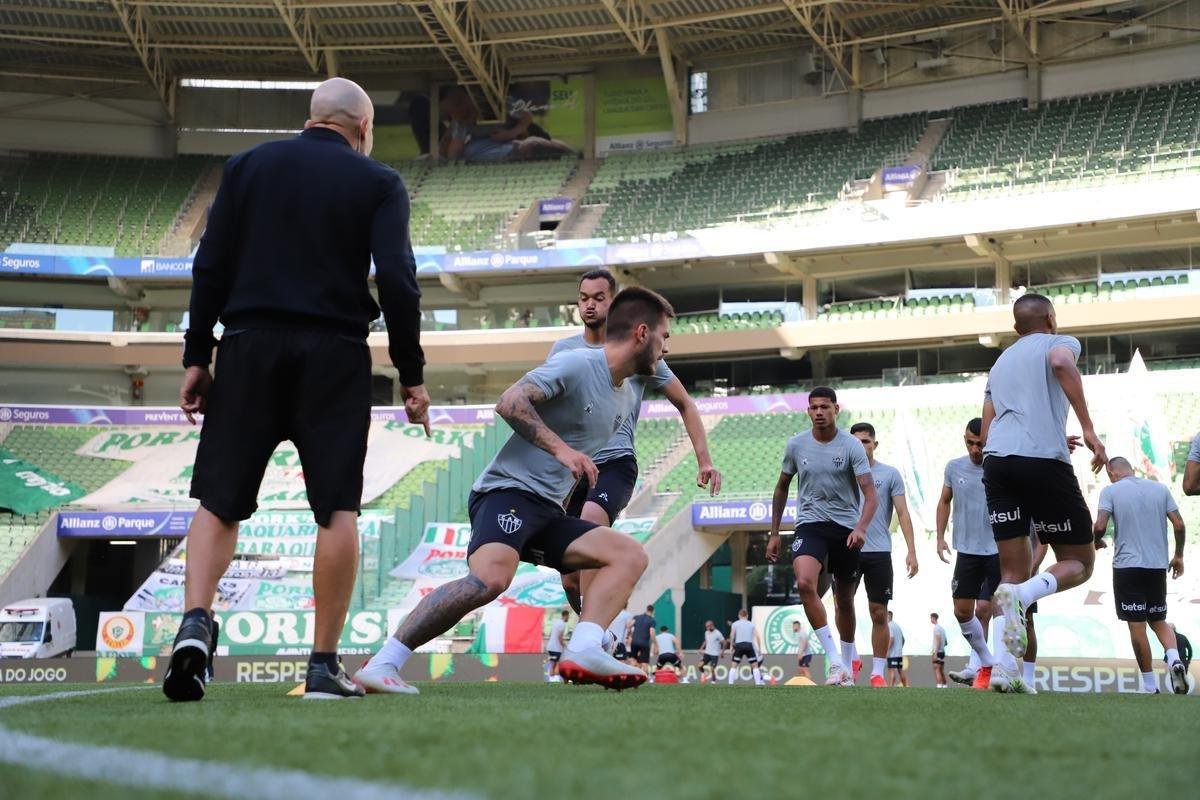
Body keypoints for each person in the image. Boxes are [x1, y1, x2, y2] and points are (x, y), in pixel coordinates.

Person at [163, 78, 429, 702]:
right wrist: (410, 373)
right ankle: (322, 666)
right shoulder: (379, 182)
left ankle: (196, 622)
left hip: (249, 344)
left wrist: (198, 354)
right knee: (337, 509)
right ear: (362, 129)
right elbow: (397, 280)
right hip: (334, 355)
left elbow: (209, 266)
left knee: (220, 502)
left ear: (312, 118)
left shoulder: (247, 166)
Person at [354, 287, 676, 694]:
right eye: (665, 336)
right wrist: (563, 451)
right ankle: (384, 663)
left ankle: (585, 646)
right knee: (489, 581)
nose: (668, 347)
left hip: (547, 511)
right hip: (507, 493)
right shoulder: (576, 364)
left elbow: (680, 399)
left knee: (628, 554)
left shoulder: (628, 391)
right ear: (642, 333)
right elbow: (510, 402)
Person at [552, 269, 721, 617]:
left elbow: (686, 404)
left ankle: (591, 637)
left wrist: (704, 460)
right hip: (572, 471)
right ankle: (603, 626)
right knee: (570, 579)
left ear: (614, 302)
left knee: (590, 525)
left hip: (615, 465)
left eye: (599, 298)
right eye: (584, 298)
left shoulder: (639, 351)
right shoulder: (564, 350)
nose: (590, 305)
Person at [982, 293, 1107, 693]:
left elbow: (987, 430)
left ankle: (1003, 669)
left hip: (998, 462)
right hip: (1042, 461)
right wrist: (1087, 427)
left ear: (1016, 328)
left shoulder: (998, 364)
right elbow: (1059, 363)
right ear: (1052, 319)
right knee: (1080, 561)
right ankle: (1023, 596)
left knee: (1010, 571)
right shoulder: (1061, 342)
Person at [766, 387, 879, 687]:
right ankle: (836, 662)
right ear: (808, 411)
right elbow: (781, 488)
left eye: (824, 407)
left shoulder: (852, 447)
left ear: (835, 409)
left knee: (844, 600)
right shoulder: (796, 445)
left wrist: (861, 528)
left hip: (845, 529)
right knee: (804, 582)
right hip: (810, 524)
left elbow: (871, 495)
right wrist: (775, 532)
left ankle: (848, 658)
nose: (818, 412)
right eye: (814, 407)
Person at [1093, 456, 1188, 695]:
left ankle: (1149, 685)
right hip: (1157, 566)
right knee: (1158, 619)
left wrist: (1096, 541)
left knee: (1137, 626)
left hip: (1128, 566)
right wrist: (1178, 556)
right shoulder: (1160, 488)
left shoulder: (1110, 491)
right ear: (1131, 468)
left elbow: (1099, 526)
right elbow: (1179, 524)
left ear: (1113, 472)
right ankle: (1174, 658)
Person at [849, 422, 918, 688]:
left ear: (874, 445)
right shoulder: (843, 474)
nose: (860, 446)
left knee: (879, 612)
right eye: (855, 441)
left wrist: (912, 551)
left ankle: (877, 672)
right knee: (843, 605)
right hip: (847, 549)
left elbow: (902, 513)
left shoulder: (890, 474)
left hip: (879, 551)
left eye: (865, 441)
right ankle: (850, 659)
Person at [936, 418, 998, 691]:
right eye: (970, 443)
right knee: (962, 611)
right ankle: (986, 661)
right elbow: (944, 501)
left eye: (980, 444)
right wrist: (939, 537)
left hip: (998, 549)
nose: (975, 449)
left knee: (991, 608)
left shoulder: (1000, 465)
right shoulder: (954, 467)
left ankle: (995, 669)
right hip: (967, 551)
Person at [728, 609, 765, 685]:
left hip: (739, 645)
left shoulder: (735, 624)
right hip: (749, 645)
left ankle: (730, 683)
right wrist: (759, 649)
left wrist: (731, 646)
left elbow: (732, 635)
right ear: (747, 616)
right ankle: (758, 684)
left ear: (739, 616)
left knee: (734, 665)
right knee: (755, 666)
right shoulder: (751, 624)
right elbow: (757, 636)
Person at [629, 604, 657, 673]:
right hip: (644, 643)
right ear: (653, 611)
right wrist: (654, 643)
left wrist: (629, 635)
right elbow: (652, 632)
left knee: (633, 659)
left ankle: (632, 676)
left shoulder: (637, 617)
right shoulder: (652, 620)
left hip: (634, 641)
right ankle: (644, 678)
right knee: (644, 662)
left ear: (646, 609)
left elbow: (629, 625)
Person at [546, 609, 570, 682]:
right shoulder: (562, 624)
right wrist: (564, 646)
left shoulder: (555, 622)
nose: (568, 618)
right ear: (565, 616)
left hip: (550, 647)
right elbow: (560, 637)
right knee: (558, 663)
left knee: (552, 663)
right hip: (556, 648)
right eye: (568, 617)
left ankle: (551, 678)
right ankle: (555, 678)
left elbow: (550, 634)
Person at [886, 611, 907, 687]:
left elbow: (891, 638)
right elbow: (903, 639)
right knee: (900, 671)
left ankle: (890, 688)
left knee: (891, 671)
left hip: (892, 654)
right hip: (899, 653)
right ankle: (906, 687)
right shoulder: (897, 626)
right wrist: (899, 648)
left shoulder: (888, 626)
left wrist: (887, 651)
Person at [930, 612, 948, 688]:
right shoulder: (942, 629)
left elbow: (938, 640)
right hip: (942, 651)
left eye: (931, 618)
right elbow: (946, 642)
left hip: (938, 651)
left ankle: (939, 685)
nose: (930, 620)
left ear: (933, 618)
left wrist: (936, 653)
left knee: (937, 669)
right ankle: (944, 685)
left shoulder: (936, 628)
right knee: (941, 670)